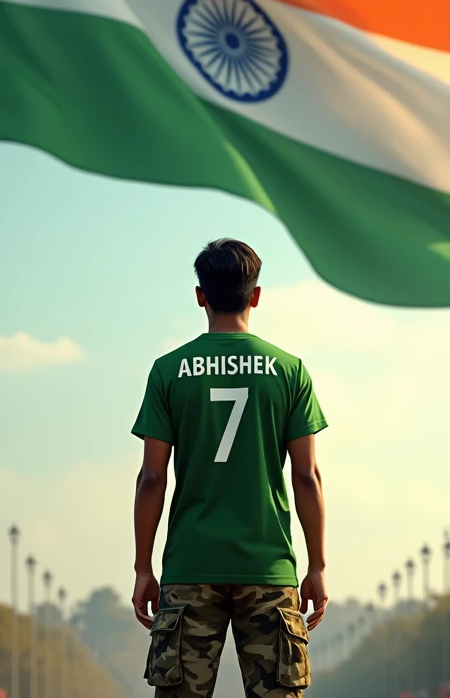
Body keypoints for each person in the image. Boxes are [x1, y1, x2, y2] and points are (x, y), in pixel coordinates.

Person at [131, 238, 328, 698]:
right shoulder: (289, 371)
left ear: (200, 295)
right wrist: (316, 564)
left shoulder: (168, 371)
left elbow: (152, 478)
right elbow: (306, 476)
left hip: (189, 567)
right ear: (255, 295)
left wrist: (143, 567)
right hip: (268, 569)